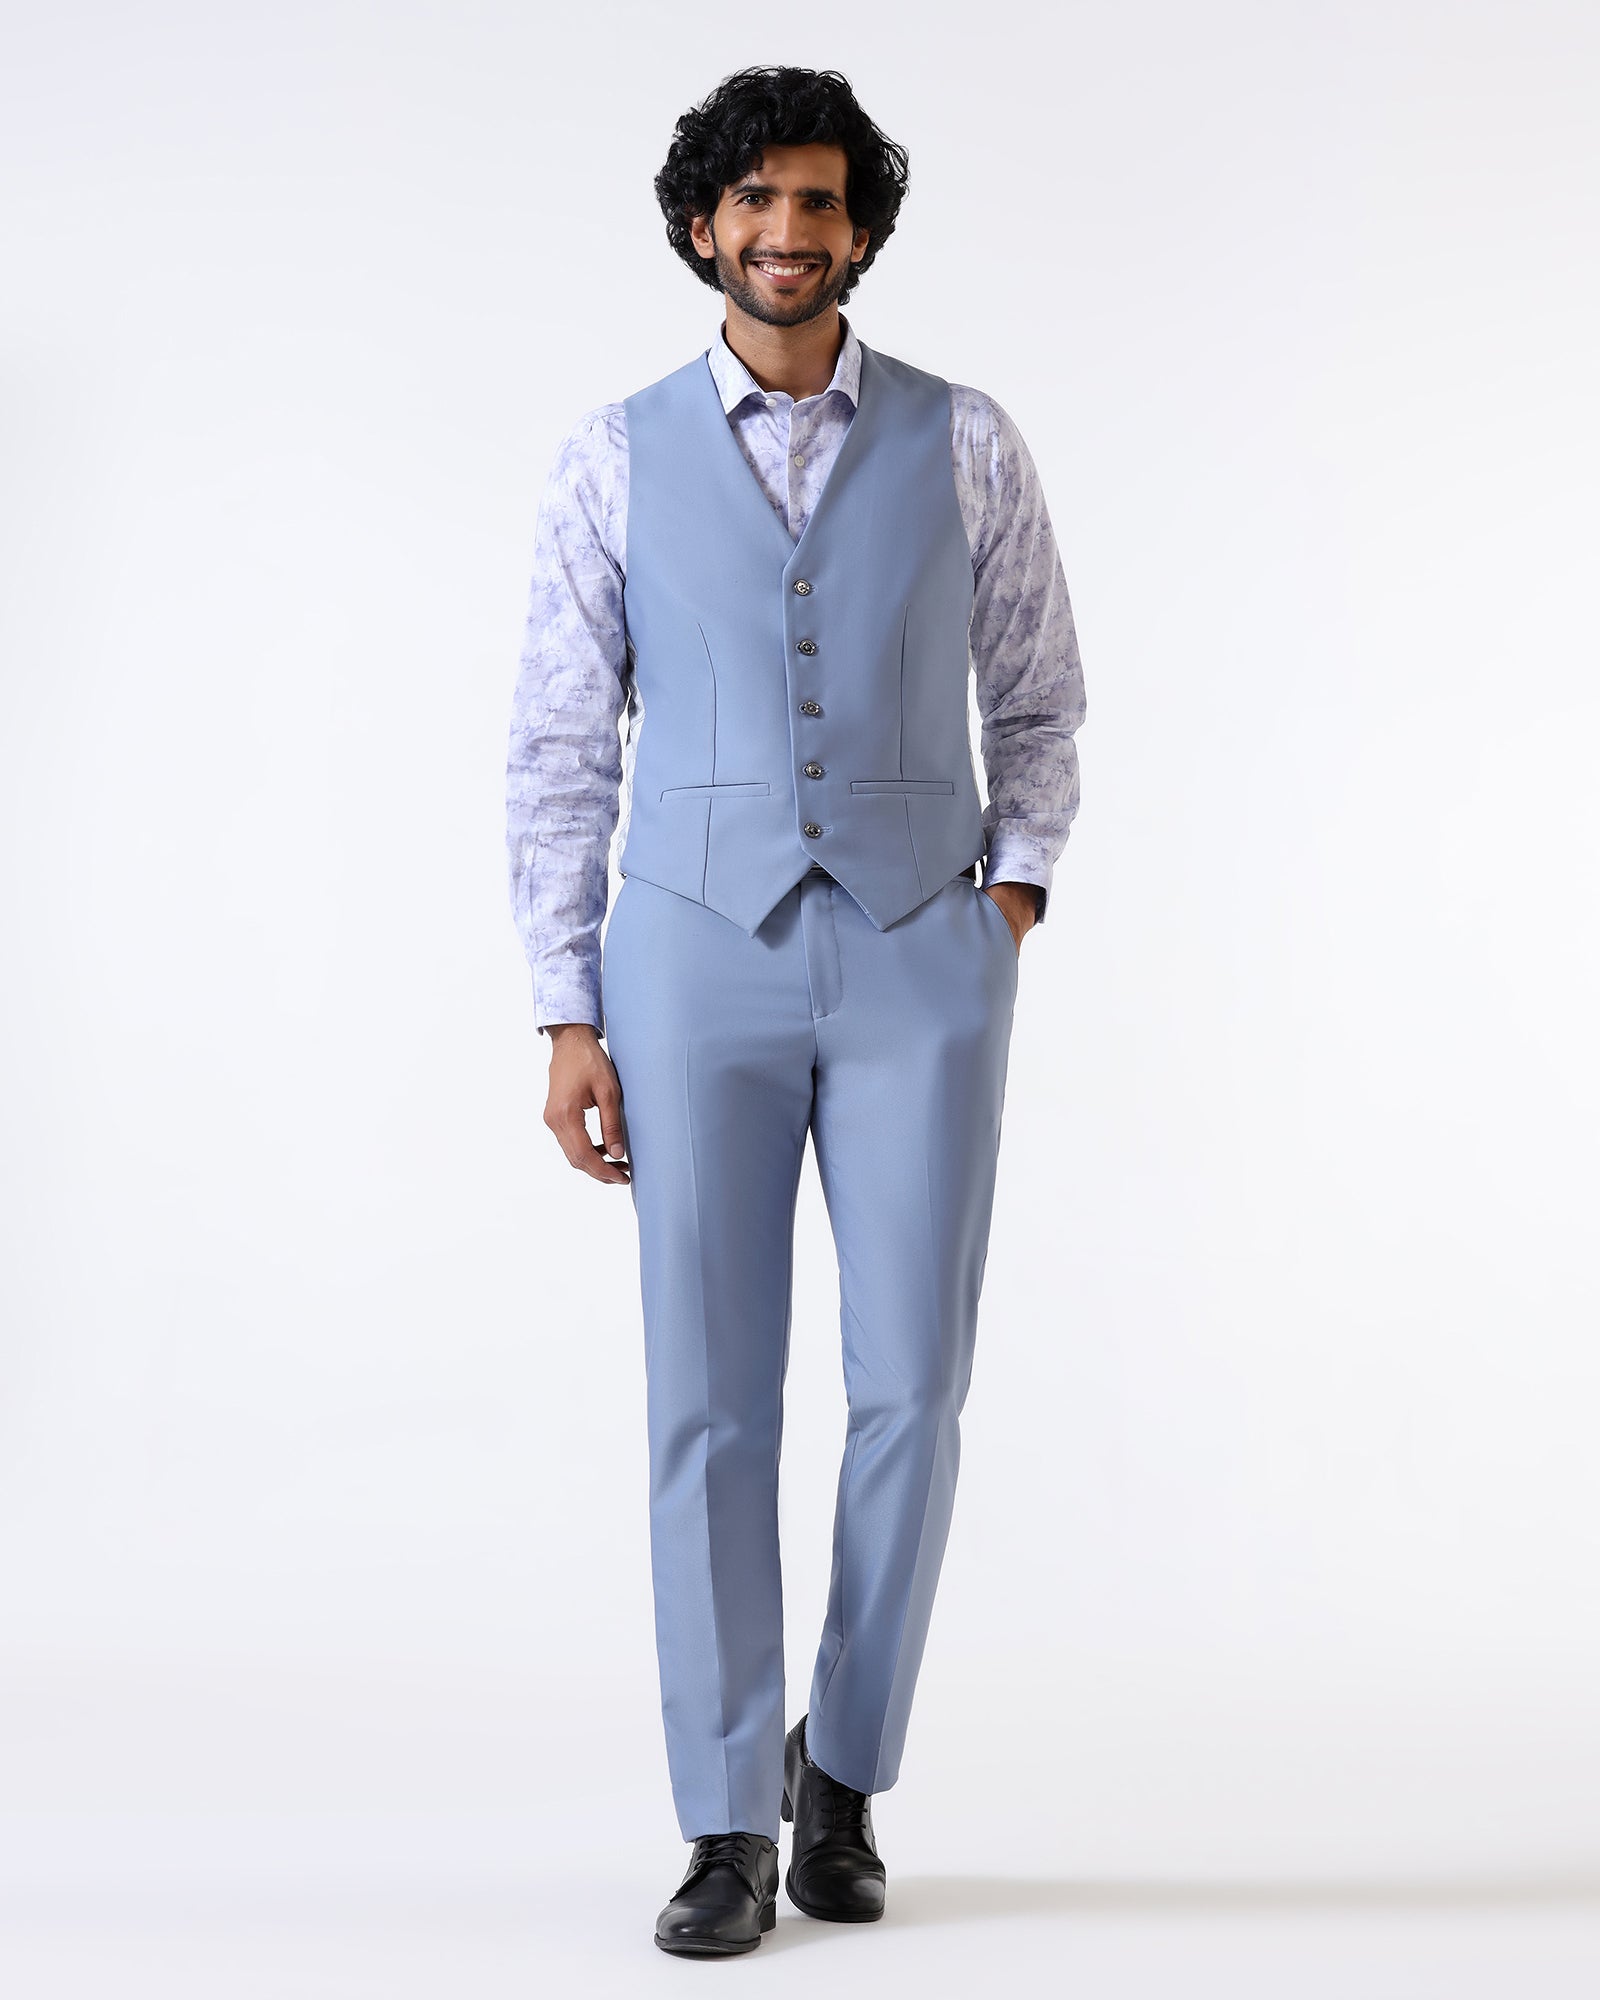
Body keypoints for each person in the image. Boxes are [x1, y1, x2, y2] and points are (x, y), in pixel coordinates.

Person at [505, 63, 1086, 1957]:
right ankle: (719, 1822)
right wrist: (566, 1009)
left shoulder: (966, 438)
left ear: (860, 229)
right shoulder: (612, 455)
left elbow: (1039, 696)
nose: (785, 232)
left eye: (818, 202)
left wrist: (1007, 904)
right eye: (753, 201)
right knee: (709, 1397)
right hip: (691, 959)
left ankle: (842, 1774)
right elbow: (559, 744)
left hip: (924, 952)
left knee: (914, 1384)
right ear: (703, 226)